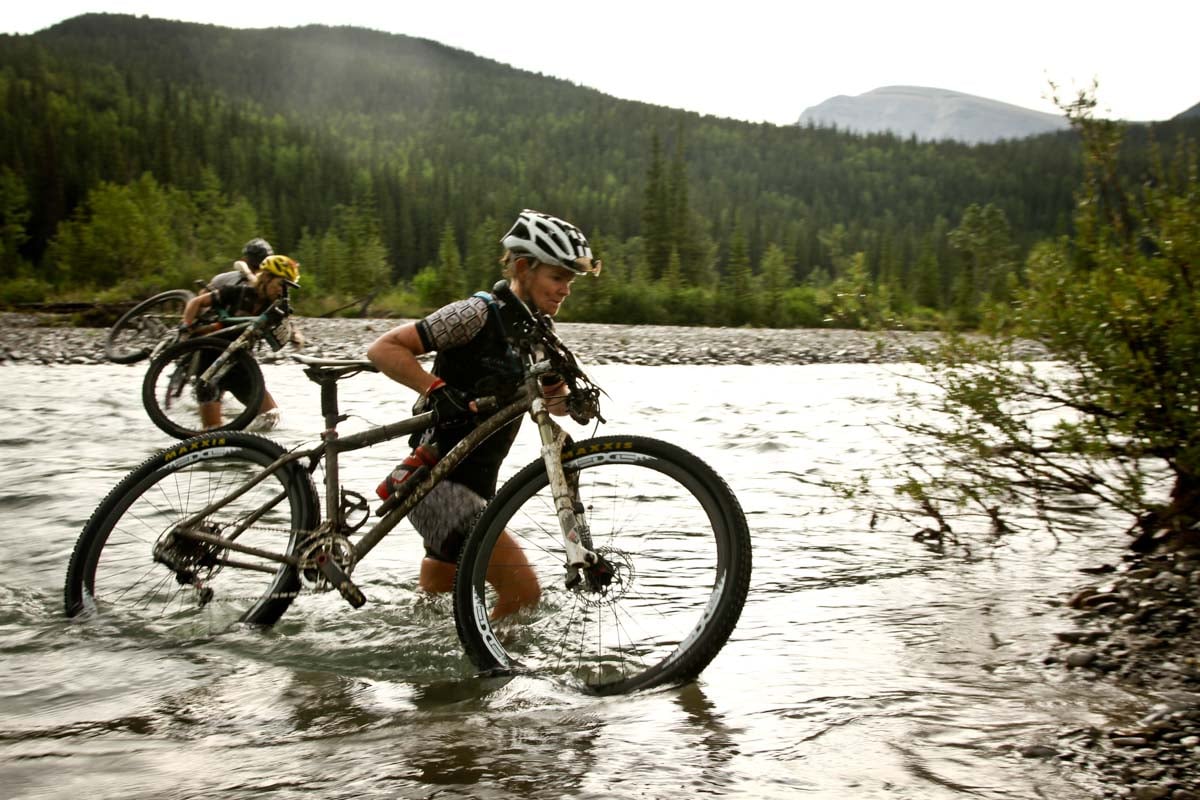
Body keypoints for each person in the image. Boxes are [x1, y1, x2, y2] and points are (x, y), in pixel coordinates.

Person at [367, 209, 602, 617]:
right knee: (523, 595)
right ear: (525, 268)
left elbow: (554, 402)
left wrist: (575, 403)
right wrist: (435, 389)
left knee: (434, 614)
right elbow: (384, 349)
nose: (565, 289)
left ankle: (440, 678)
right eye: (558, 277)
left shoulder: (538, 335)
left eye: (570, 281)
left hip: (475, 488)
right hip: (435, 485)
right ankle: (492, 674)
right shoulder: (474, 314)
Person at [178, 254, 302, 431]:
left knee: (271, 417)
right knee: (211, 431)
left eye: (287, 287)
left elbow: (288, 326)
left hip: (241, 366)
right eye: (280, 285)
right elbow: (196, 302)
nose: (282, 291)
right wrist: (186, 325)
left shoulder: (275, 309)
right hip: (211, 363)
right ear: (266, 279)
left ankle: (247, 445)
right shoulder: (237, 292)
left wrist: (295, 336)